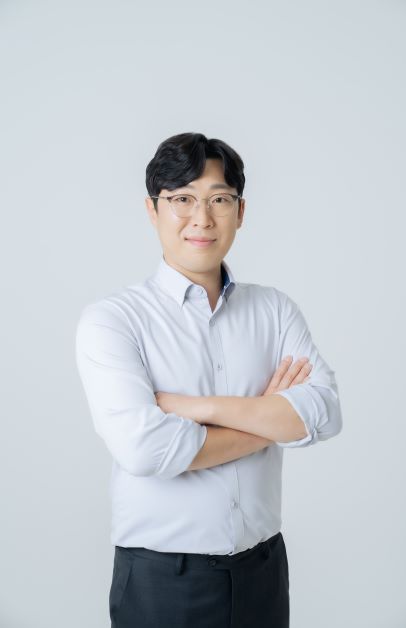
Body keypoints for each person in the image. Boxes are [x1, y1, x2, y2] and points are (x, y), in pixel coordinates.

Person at [75, 131, 343, 628]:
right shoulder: (113, 320)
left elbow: (325, 413)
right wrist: (268, 420)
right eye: (182, 199)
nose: (202, 218)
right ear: (153, 210)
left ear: (240, 212)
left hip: (263, 570)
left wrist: (198, 408)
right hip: (163, 580)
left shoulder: (274, 310)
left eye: (220, 199)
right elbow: (146, 451)